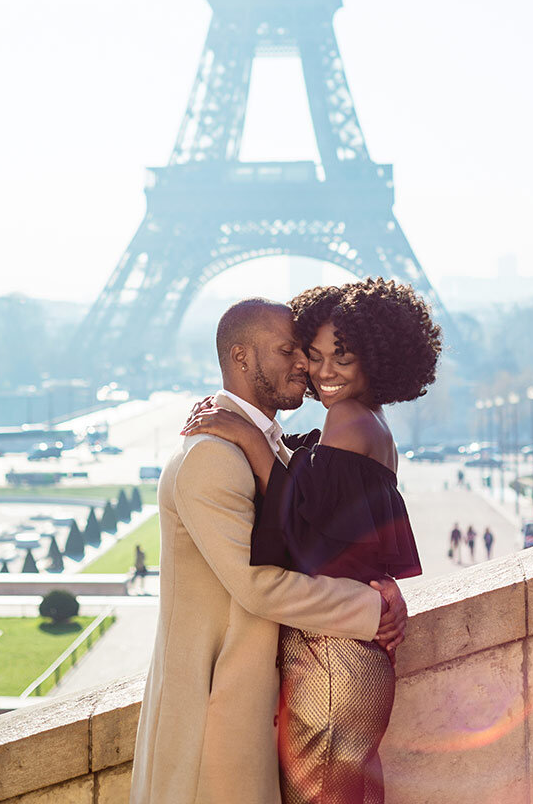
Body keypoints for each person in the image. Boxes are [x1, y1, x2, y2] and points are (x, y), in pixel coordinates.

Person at [129, 298, 407, 804]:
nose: (305, 364)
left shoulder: (273, 445)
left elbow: (322, 533)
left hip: (294, 684)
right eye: (290, 350)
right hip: (217, 708)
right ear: (241, 358)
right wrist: (374, 606)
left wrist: (380, 592)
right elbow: (259, 585)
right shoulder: (213, 456)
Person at [183, 278, 441, 803]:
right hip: (349, 657)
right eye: (313, 355)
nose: (322, 372)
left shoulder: (347, 421)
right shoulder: (367, 422)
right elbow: (320, 502)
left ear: (376, 358)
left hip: (332, 659)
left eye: (341, 359)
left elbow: (302, 538)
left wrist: (250, 438)